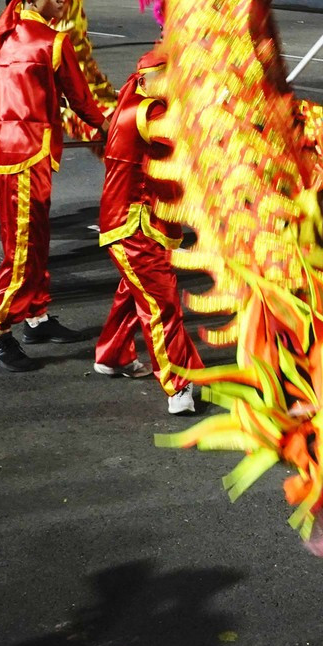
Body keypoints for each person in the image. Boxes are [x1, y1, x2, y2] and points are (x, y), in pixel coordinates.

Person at [0, 0, 109, 370]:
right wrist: (110, 127)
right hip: (29, 155)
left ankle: (36, 317)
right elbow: (81, 101)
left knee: (31, 240)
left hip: (7, 154)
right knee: (23, 249)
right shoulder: (54, 42)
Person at [92, 49, 205, 415]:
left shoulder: (141, 103)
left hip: (137, 222)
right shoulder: (148, 112)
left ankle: (111, 355)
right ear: (147, 79)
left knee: (134, 289)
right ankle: (178, 385)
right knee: (162, 304)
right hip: (134, 227)